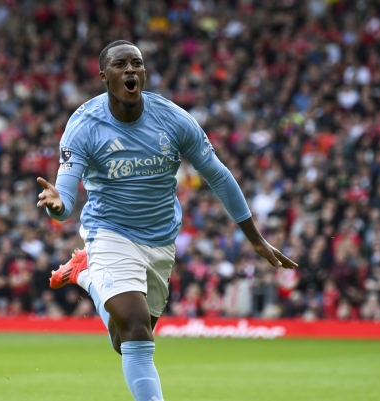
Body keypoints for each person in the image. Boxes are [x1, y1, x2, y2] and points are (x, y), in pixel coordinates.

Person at [35, 41, 297, 401]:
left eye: (136, 64)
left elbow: (218, 176)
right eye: (120, 64)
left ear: (143, 74)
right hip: (110, 232)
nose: (130, 70)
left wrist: (254, 237)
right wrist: (55, 206)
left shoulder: (173, 119)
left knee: (121, 339)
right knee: (137, 332)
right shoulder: (84, 126)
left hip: (160, 240)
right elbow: (63, 201)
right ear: (104, 76)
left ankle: (85, 275)